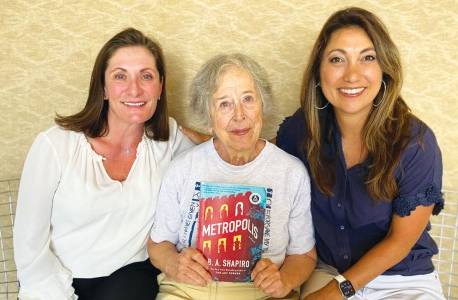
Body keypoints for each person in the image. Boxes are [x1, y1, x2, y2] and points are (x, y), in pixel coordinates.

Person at [276, 7, 445, 300]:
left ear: (385, 69)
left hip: (400, 279)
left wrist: (335, 292)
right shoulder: (301, 130)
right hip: (325, 270)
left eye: (367, 58)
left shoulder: (416, 143)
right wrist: (207, 140)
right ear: (319, 71)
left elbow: (399, 242)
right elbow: (257, 153)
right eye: (337, 59)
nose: (352, 75)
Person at [13, 28, 194, 300]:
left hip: (130, 277)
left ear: (160, 86)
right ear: (103, 88)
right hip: (54, 280)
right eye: (120, 76)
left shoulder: (168, 140)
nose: (135, 89)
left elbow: (217, 156)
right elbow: (28, 244)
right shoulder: (55, 145)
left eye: (146, 76)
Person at [148, 53, 317, 300]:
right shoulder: (183, 167)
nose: (239, 115)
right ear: (208, 119)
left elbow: (304, 255)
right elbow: (158, 245)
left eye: (248, 99)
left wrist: (284, 281)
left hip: (260, 294)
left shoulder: (291, 172)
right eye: (224, 104)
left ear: (262, 105)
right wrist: (175, 264)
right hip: (190, 291)